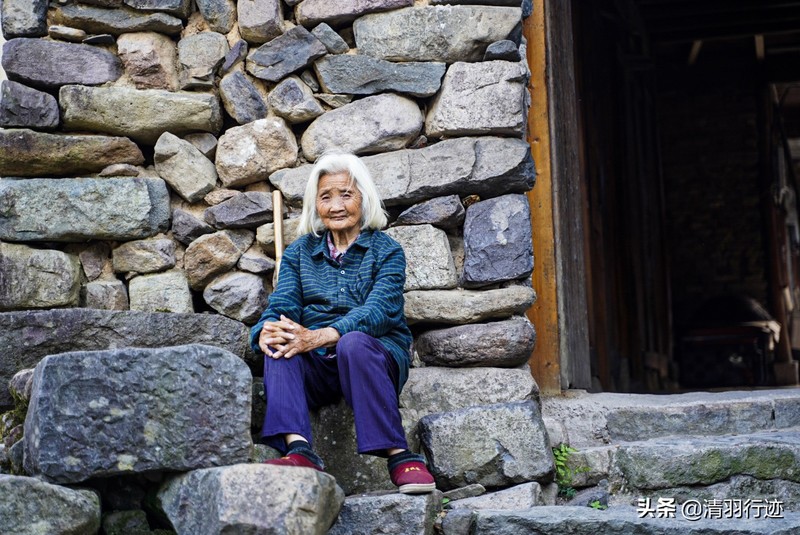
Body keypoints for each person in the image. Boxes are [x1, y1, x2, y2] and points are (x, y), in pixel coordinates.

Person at [249, 152, 436, 494]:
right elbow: (283, 304)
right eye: (325, 197)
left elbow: (380, 311)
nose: (336, 206)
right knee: (279, 340)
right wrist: (267, 330)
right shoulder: (300, 253)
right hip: (317, 366)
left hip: (372, 358)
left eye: (345, 194)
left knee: (353, 341)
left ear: (363, 199)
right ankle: (299, 449)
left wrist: (320, 335)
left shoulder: (387, 251)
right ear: (315, 205)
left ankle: (398, 455)